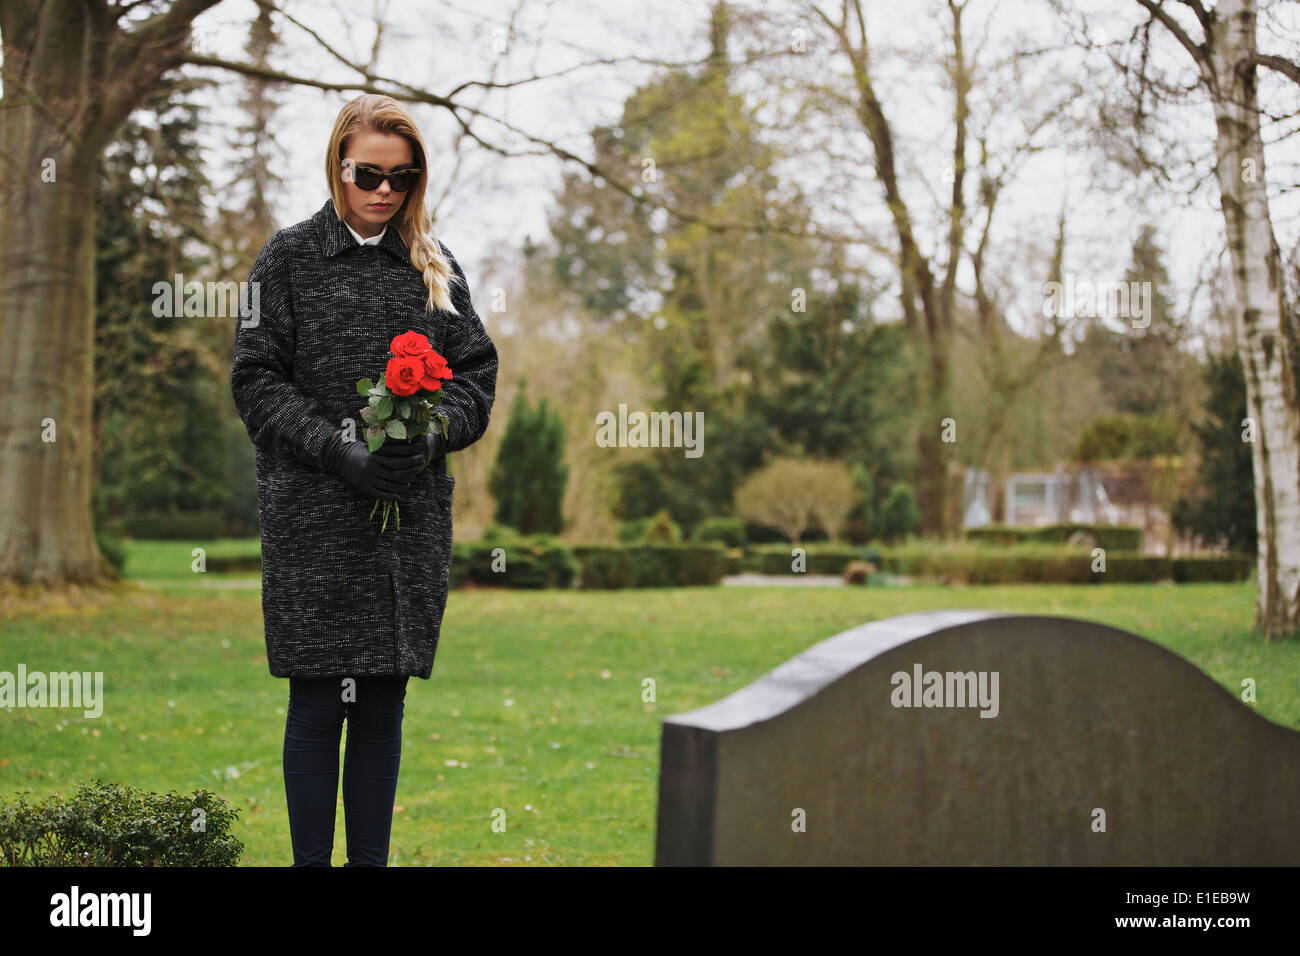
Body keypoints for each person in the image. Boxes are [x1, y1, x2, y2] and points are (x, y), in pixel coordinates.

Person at [230, 93, 499, 866]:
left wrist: (433, 434)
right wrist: (340, 451)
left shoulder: (435, 268)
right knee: (318, 699)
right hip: (312, 518)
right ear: (338, 169)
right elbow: (255, 382)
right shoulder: (286, 260)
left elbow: (475, 377)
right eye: (368, 173)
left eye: (402, 177)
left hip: (405, 525)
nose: (385, 190)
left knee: (381, 701)